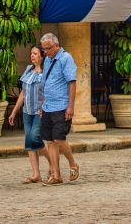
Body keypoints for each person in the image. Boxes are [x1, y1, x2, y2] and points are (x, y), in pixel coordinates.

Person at [39, 32, 80, 185]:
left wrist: (70, 107)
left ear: (56, 46)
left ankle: (73, 164)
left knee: (59, 139)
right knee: (50, 141)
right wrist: (42, 104)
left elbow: (72, 83)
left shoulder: (66, 58)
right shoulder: (48, 60)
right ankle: (56, 175)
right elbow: (45, 83)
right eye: (44, 49)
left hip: (61, 106)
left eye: (48, 49)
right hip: (48, 106)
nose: (46, 52)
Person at [8, 44, 51, 184]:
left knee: (35, 138)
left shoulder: (45, 74)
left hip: (39, 112)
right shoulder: (28, 70)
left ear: (42, 56)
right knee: (29, 143)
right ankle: (36, 174)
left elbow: (48, 93)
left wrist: (45, 109)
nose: (32, 55)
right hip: (27, 111)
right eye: (31, 53)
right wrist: (14, 111)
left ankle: (53, 165)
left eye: (35, 53)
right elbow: (23, 93)